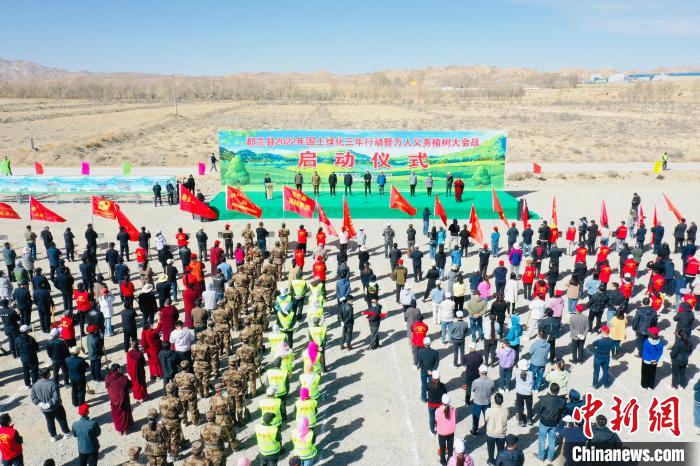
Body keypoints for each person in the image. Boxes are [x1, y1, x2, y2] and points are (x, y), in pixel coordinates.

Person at [31, 367, 72, 442]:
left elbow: (33, 397)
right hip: (56, 407)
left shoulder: (35, 385)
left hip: (44, 409)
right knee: (61, 419)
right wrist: (49, 403)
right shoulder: (52, 384)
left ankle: (53, 436)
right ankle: (66, 433)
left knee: (50, 422)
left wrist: (40, 403)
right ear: (48, 374)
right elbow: (56, 397)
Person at [537, 383, 565, 463]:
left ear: (550, 390)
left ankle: (541, 457)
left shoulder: (544, 399)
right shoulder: (562, 401)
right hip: (554, 423)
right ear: (558, 391)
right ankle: (550, 458)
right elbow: (562, 412)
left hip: (544, 422)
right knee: (552, 440)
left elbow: (540, 410)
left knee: (542, 440)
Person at [104, 364, 134, 435]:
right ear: (118, 369)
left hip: (113, 401)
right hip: (123, 400)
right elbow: (130, 385)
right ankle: (126, 429)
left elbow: (107, 386)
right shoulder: (123, 378)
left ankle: (120, 431)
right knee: (124, 414)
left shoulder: (108, 378)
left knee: (116, 416)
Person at [485, 392, 508, 466]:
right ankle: (499, 462)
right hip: (501, 434)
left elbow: (486, 419)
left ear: (494, 401)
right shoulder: (506, 411)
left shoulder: (489, 410)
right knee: (500, 450)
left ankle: (491, 461)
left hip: (491, 433)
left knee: (490, 449)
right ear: (502, 401)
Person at [470, 364, 494, 435]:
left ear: (479, 372)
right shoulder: (491, 381)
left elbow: (473, 389)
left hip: (477, 402)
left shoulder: (476, 381)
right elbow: (492, 390)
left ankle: (475, 431)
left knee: (476, 417)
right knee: (487, 416)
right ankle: (487, 428)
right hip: (487, 402)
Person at [435, 394, 456, 466]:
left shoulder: (438, 411)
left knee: (442, 448)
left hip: (441, 433)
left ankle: (443, 461)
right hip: (451, 432)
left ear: (442, 401)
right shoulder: (453, 410)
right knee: (450, 448)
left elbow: (436, 420)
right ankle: (450, 460)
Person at [418, 337, 439, 402]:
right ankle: (431, 397)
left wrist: (427, 370)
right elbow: (437, 363)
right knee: (432, 385)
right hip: (432, 372)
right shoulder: (435, 352)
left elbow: (420, 364)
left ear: (424, 344)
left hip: (424, 371)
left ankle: (423, 398)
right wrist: (432, 370)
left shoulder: (420, 352)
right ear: (430, 343)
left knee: (424, 385)